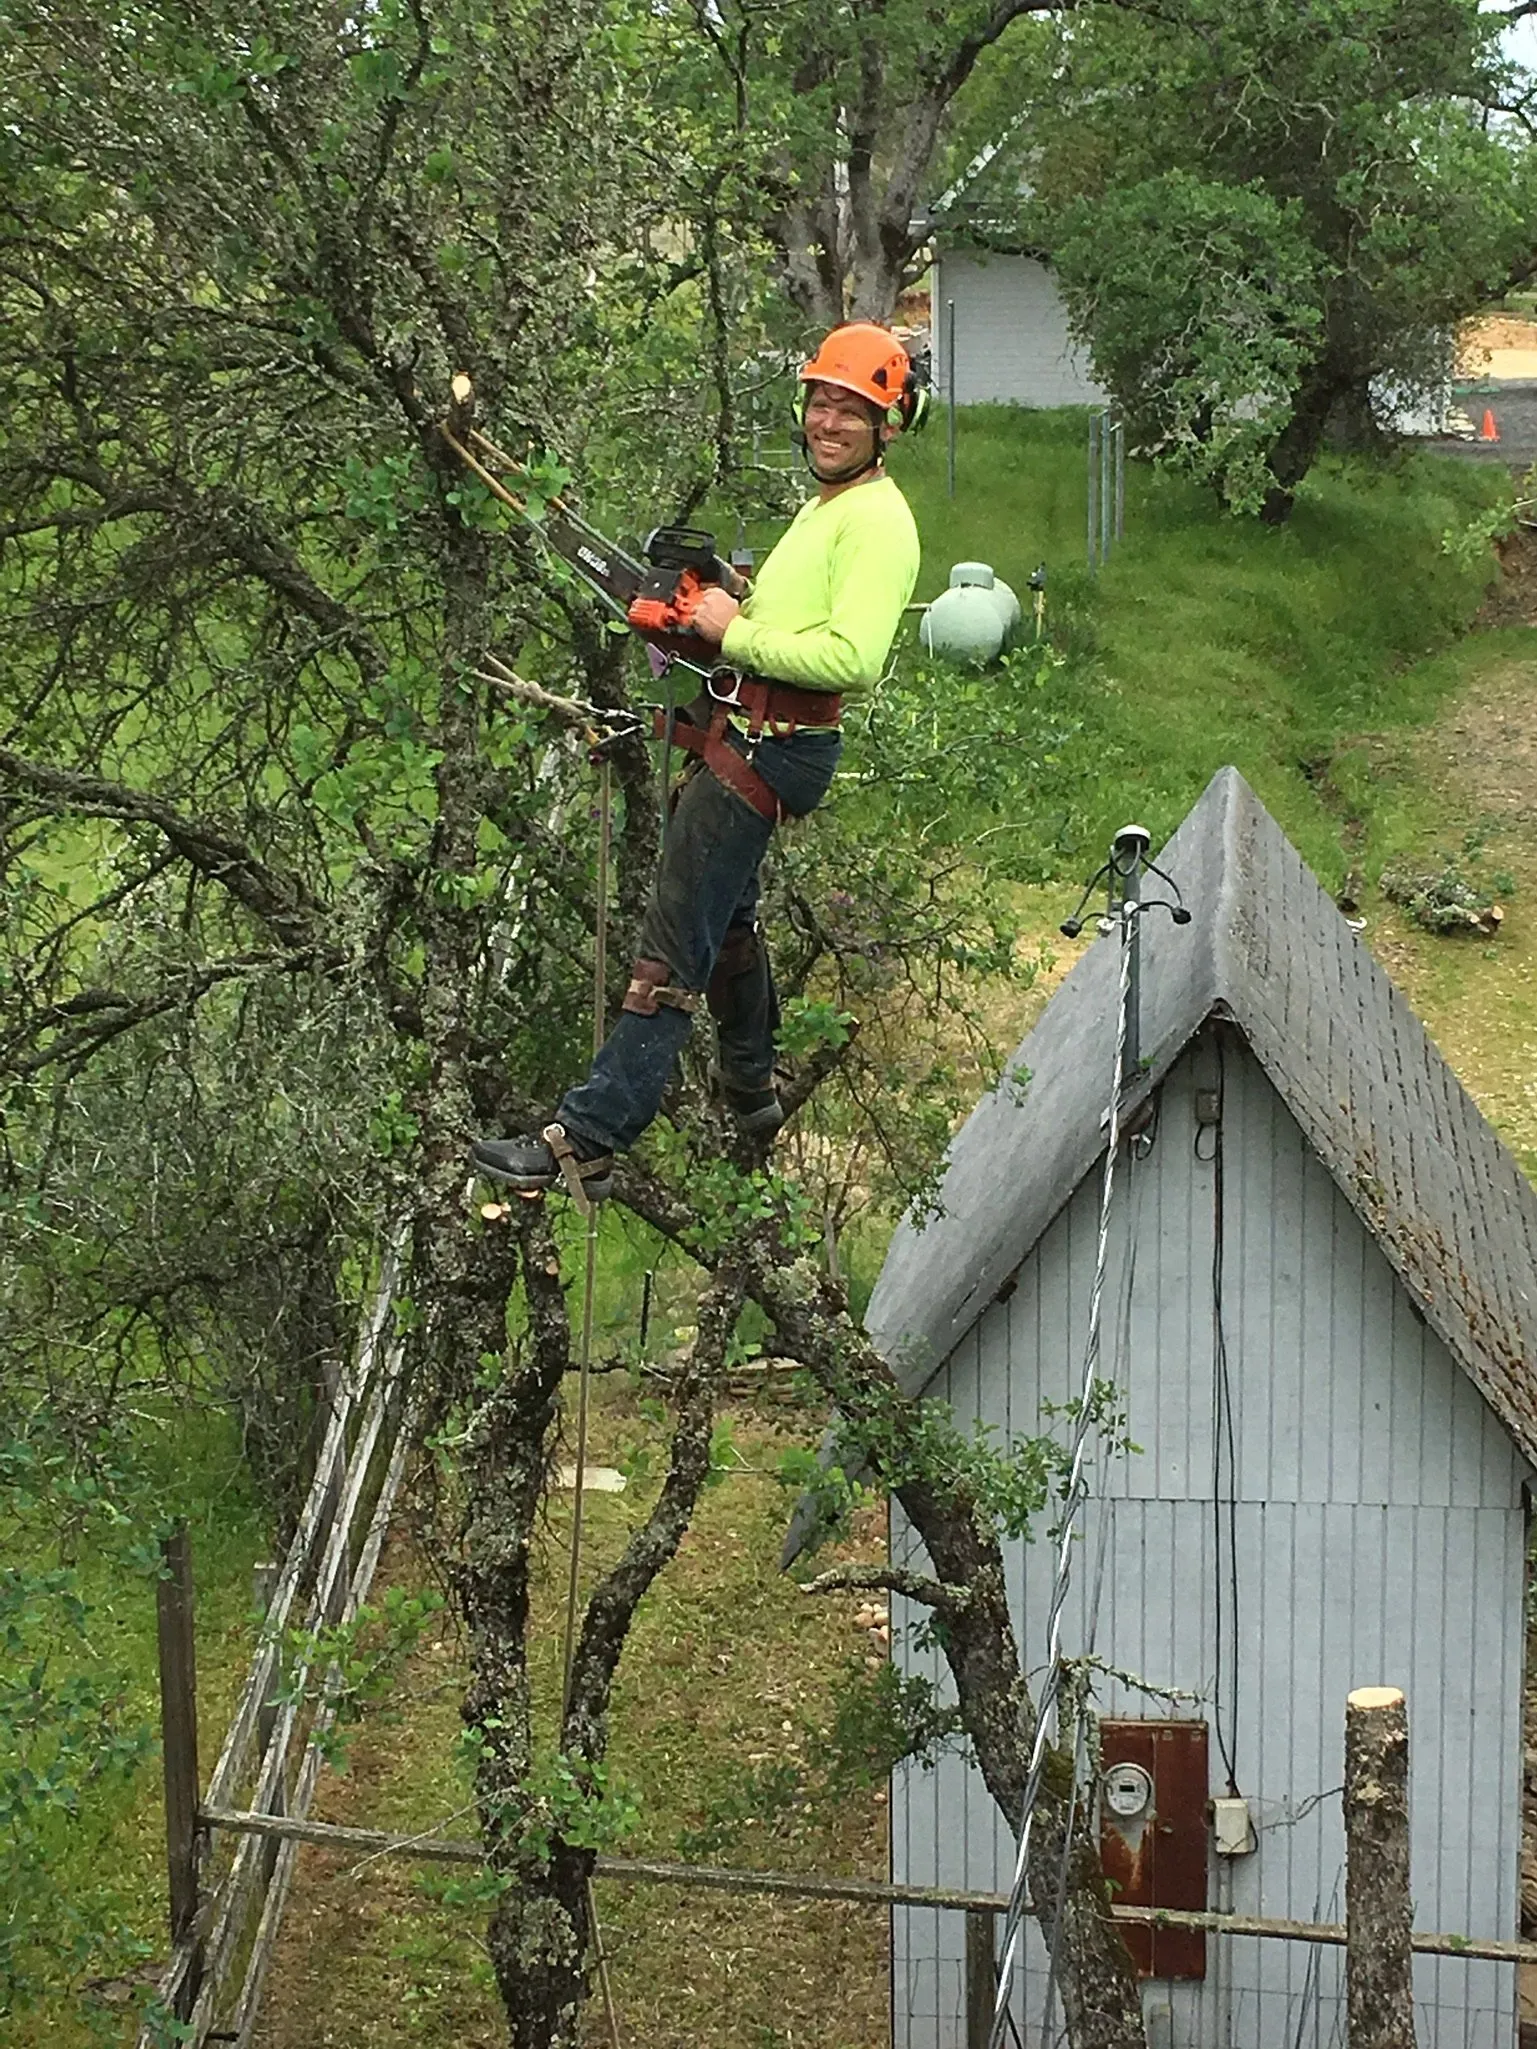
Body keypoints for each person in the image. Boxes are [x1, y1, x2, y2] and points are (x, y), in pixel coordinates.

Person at [472, 322, 925, 1203]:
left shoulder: (879, 523)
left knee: (669, 950)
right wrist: (723, 586)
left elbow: (853, 658)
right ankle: (750, 1086)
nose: (828, 422)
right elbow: (794, 619)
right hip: (753, 732)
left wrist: (729, 629)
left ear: (887, 424)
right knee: (731, 926)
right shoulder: (829, 506)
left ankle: (590, 1139)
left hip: (774, 745)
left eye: (851, 410)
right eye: (821, 403)